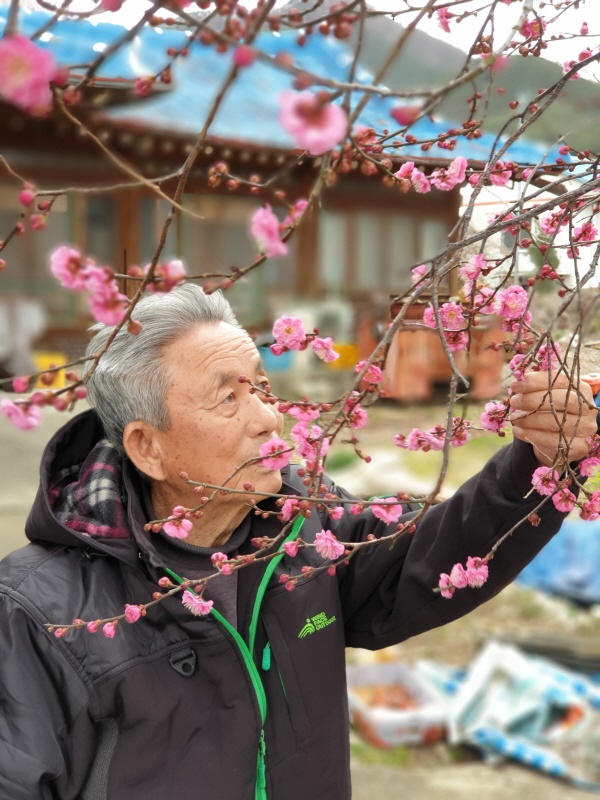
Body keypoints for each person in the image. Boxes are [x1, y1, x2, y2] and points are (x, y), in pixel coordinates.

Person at [0, 283, 596, 800]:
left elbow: (426, 561)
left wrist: (537, 464)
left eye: (261, 387)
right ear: (147, 447)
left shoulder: (306, 527)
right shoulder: (37, 614)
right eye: (228, 398)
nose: (268, 417)